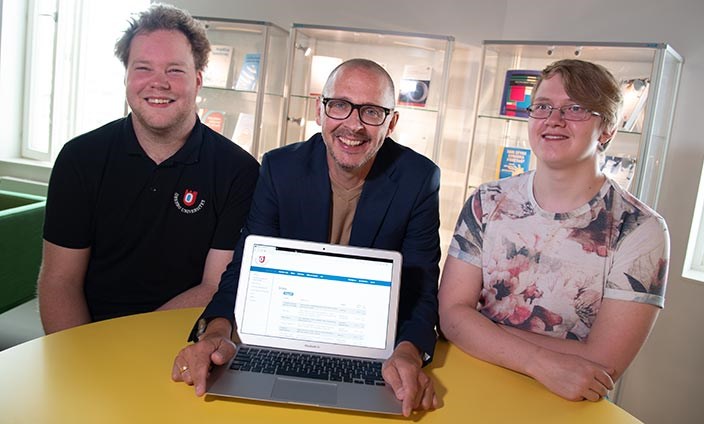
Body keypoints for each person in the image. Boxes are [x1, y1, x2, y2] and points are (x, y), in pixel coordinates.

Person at [171, 58, 441, 416]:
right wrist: (216, 332)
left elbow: (422, 289)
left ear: (391, 123)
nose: (353, 125)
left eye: (372, 112)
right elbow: (245, 268)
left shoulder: (419, 179)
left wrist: (408, 353)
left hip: (369, 350)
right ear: (320, 110)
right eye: (340, 105)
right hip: (286, 337)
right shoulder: (280, 169)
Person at [438, 59, 669, 402]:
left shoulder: (640, 230)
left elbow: (604, 363)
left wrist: (482, 330)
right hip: (467, 382)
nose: (553, 120)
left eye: (575, 108)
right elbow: (451, 316)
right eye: (543, 107)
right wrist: (540, 361)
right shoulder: (488, 200)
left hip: (562, 402)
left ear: (607, 129)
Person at [37, 4, 259, 334]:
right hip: (87, 340)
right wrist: (79, 357)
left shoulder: (239, 171)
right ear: (126, 77)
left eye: (175, 70)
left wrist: (128, 345)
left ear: (198, 81)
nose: (159, 83)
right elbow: (59, 281)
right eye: (143, 68)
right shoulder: (79, 159)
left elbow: (214, 286)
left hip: (182, 344)